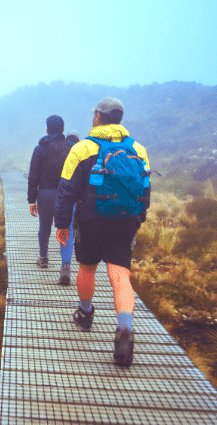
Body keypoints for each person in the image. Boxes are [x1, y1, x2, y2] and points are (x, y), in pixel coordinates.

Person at [53, 97, 150, 367]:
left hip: (91, 218)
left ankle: (85, 313)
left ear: (97, 117)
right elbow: (145, 188)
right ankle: (125, 327)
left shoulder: (82, 149)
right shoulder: (138, 150)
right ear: (119, 119)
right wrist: (139, 218)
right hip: (126, 218)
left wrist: (61, 224)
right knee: (120, 274)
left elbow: (67, 189)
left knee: (87, 267)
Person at [27, 115, 75, 285]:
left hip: (45, 193)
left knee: (44, 226)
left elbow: (33, 176)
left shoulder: (40, 149)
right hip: (66, 194)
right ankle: (66, 266)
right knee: (66, 228)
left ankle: (44, 257)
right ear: (63, 130)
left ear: (47, 130)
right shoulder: (71, 148)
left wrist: (31, 200)